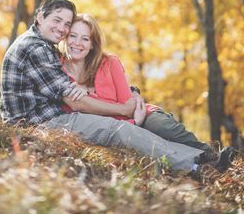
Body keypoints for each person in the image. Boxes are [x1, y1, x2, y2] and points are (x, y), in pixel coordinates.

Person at [0, 0, 231, 173]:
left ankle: (203, 158)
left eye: (66, 24)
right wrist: (122, 110)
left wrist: (132, 95)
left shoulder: (40, 45)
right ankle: (196, 164)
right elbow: (72, 99)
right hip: (39, 123)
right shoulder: (37, 48)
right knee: (116, 130)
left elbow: (81, 92)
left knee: (151, 124)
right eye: (56, 20)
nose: (62, 28)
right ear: (40, 16)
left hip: (44, 118)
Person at [60, 13, 218, 160]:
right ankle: (200, 162)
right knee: (155, 144)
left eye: (85, 39)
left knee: (162, 127)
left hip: (140, 114)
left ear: (93, 44)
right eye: (73, 36)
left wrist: (135, 115)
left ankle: (214, 158)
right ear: (65, 38)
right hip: (119, 128)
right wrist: (133, 124)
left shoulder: (110, 63)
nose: (77, 43)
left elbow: (128, 105)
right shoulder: (55, 69)